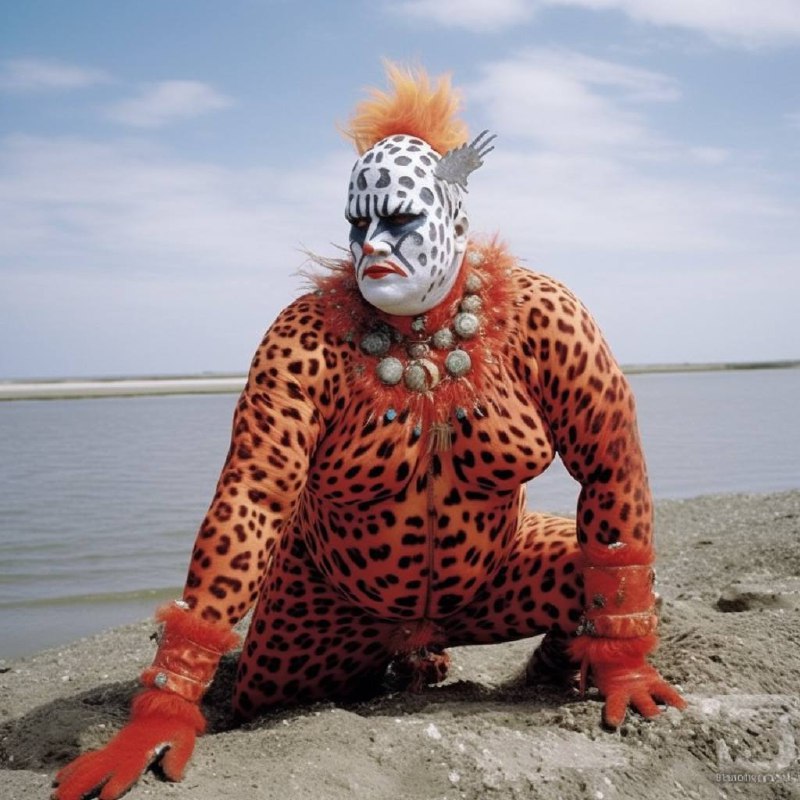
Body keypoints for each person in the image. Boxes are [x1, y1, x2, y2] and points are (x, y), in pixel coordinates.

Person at [53, 64, 685, 800]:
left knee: (619, 598)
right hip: (329, 597)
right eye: (360, 223)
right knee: (263, 708)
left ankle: (548, 672)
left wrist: (622, 654)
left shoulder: (541, 318)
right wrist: (172, 696)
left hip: (493, 575)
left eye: (399, 221)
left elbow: (613, 467)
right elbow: (251, 504)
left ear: (453, 222)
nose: (373, 244)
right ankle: (372, 666)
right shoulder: (308, 339)